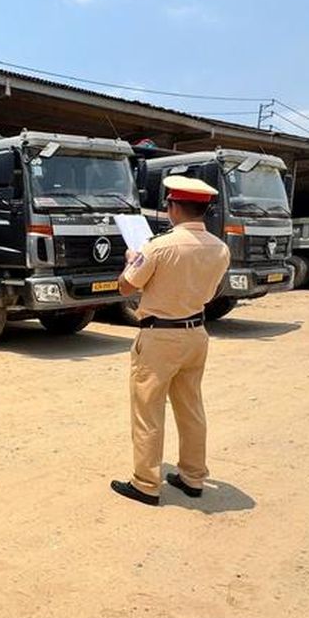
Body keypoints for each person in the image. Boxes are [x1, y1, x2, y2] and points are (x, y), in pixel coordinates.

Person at [110, 175, 231, 506]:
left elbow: (126, 286)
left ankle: (146, 483)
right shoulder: (220, 248)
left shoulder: (158, 246)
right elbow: (212, 292)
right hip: (196, 333)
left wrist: (131, 261)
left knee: (148, 410)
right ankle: (193, 477)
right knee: (191, 408)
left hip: (160, 335)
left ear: (174, 207)